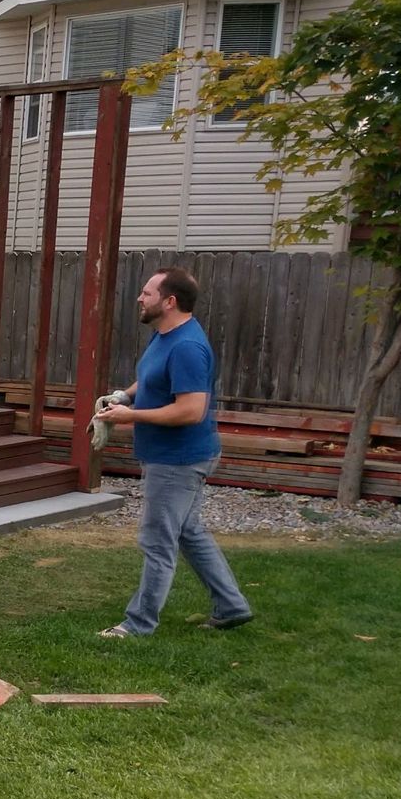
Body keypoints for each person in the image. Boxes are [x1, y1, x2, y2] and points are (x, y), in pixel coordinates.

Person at [96, 267, 251, 638]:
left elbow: (191, 410)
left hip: (178, 460)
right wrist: (124, 396)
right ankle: (231, 606)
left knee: (157, 540)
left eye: (147, 293)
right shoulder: (165, 336)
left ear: (169, 302)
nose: (139, 298)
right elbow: (151, 376)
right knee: (188, 532)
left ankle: (137, 625)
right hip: (170, 455)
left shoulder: (187, 347)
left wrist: (129, 415)